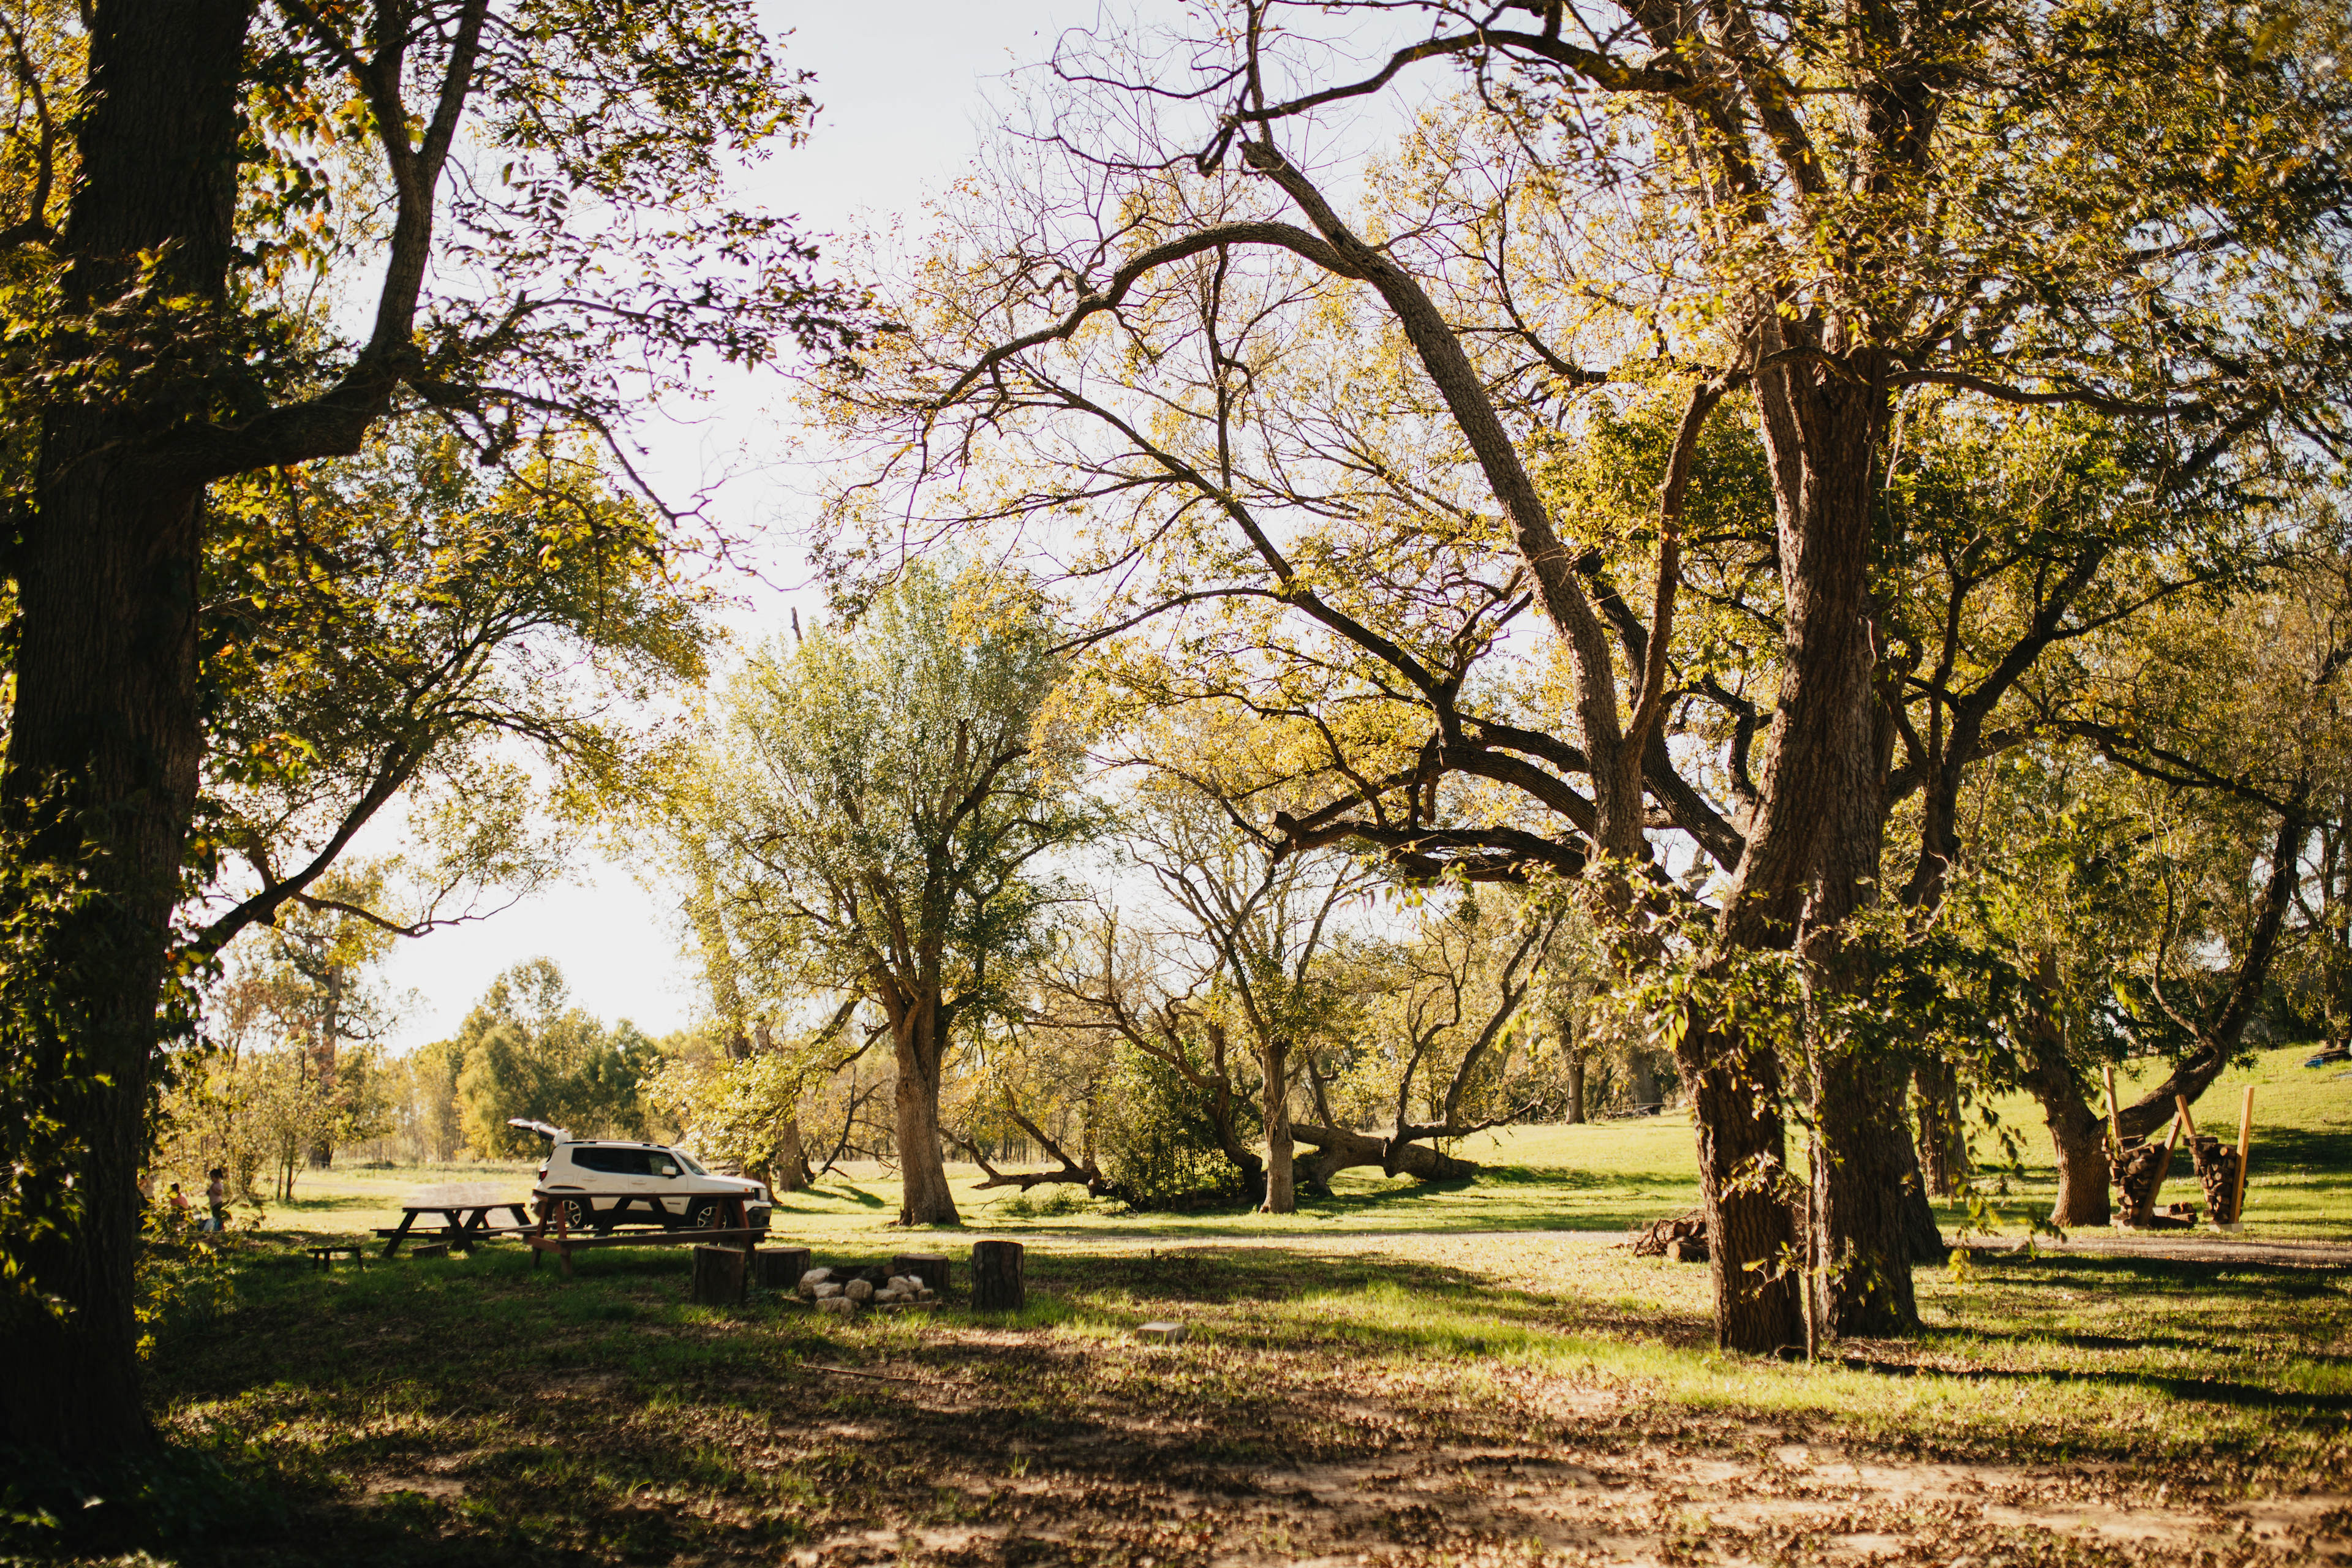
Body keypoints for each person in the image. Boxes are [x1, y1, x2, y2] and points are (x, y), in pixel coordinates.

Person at [205, 1166, 228, 1234]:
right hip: (213, 1203)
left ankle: (219, 1229)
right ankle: (217, 1229)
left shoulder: (219, 1185)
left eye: (212, 1177)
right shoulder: (213, 1185)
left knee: (217, 1216)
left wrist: (213, 1190)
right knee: (215, 1216)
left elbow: (220, 1193)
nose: (211, 1179)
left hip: (217, 1203)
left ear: (216, 1177)